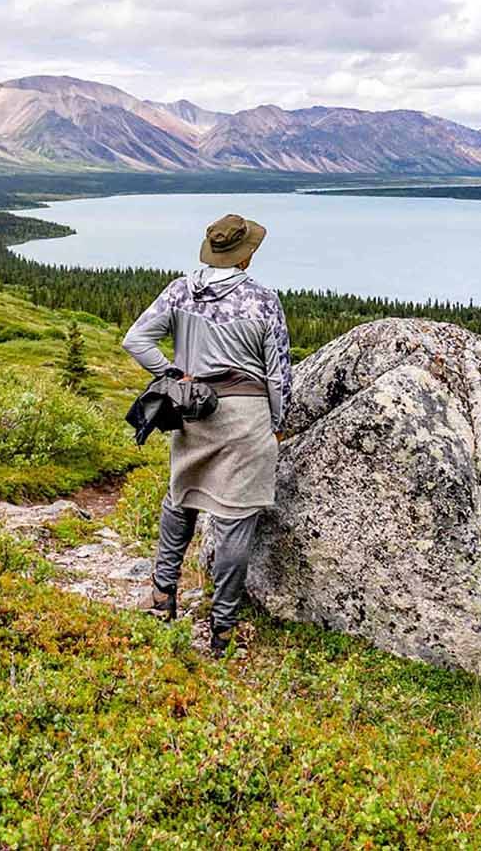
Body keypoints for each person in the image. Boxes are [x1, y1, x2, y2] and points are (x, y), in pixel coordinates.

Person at [122, 213, 292, 656]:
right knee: (235, 520)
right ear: (246, 255)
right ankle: (222, 630)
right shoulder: (263, 301)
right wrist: (278, 424)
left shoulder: (180, 290)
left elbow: (135, 340)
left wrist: (173, 377)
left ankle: (162, 596)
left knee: (180, 499)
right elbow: (278, 374)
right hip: (246, 421)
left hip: (192, 412)